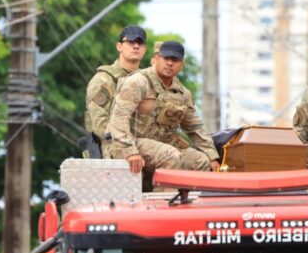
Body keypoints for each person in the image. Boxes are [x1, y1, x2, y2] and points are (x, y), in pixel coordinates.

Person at [107, 40, 220, 176]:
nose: (170, 63)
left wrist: (212, 156)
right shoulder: (138, 82)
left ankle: (187, 198)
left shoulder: (183, 93)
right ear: (157, 59)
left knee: (201, 162)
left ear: (181, 65)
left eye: (175, 60)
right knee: (170, 156)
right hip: (128, 142)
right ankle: (164, 198)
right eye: (166, 58)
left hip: (161, 144)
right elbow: (119, 119)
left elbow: (195, 127)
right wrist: (130, 150)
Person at [84, 25, 148, 157]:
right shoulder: (104, 79)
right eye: (130, 42)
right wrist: (127, 142)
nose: (136, 46)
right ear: (119, 46)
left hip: (143, 144)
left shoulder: (147, 81)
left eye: (140, 43)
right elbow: (100, 124)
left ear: (145, 49)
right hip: (113, 147)